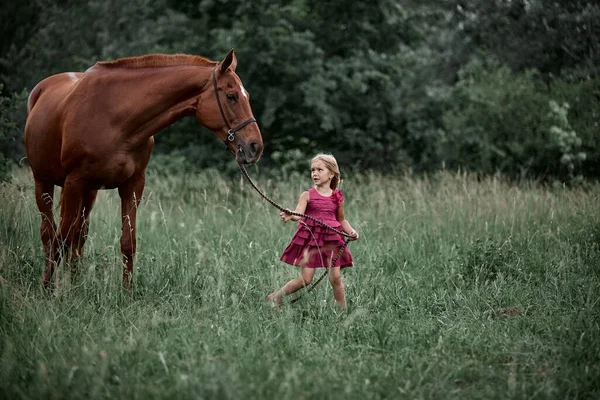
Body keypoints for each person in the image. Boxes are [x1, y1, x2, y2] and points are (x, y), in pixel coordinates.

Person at [267, 154, 358, 309]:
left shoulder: (337, 197)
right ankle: (276, 297)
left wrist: (351, 231)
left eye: (319, 170)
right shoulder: (307, 195)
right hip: (312, 240)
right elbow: (298, 214)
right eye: (312, 170)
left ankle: (343, 311)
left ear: (331, 174)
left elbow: (341, 219)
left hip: (332, 240)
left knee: (336, 277)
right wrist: (291, 215)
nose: (314, 173)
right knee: (305, 279)